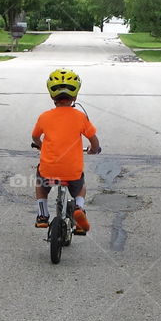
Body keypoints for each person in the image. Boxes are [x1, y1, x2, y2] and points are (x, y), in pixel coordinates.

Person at [31, 68, 101, 233]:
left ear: (52, 96)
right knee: (81, 185)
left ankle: (42, 215)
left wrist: (42, 146)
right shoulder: (80, 117)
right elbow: (93, 140)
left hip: (49, 170)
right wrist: (93, 149)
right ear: (75, 96)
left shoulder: (44, 117)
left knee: (40, 184)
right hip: (72, 171)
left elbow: (35, 137)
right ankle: (79, 208)